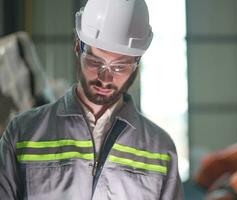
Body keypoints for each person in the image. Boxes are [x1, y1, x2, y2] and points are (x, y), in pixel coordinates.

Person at [0, 0, 184, 199]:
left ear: (136, 65)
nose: (105, 78)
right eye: (96, 62)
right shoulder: (23, 133)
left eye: (119, 67)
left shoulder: (160, 150)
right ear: (78, 47)